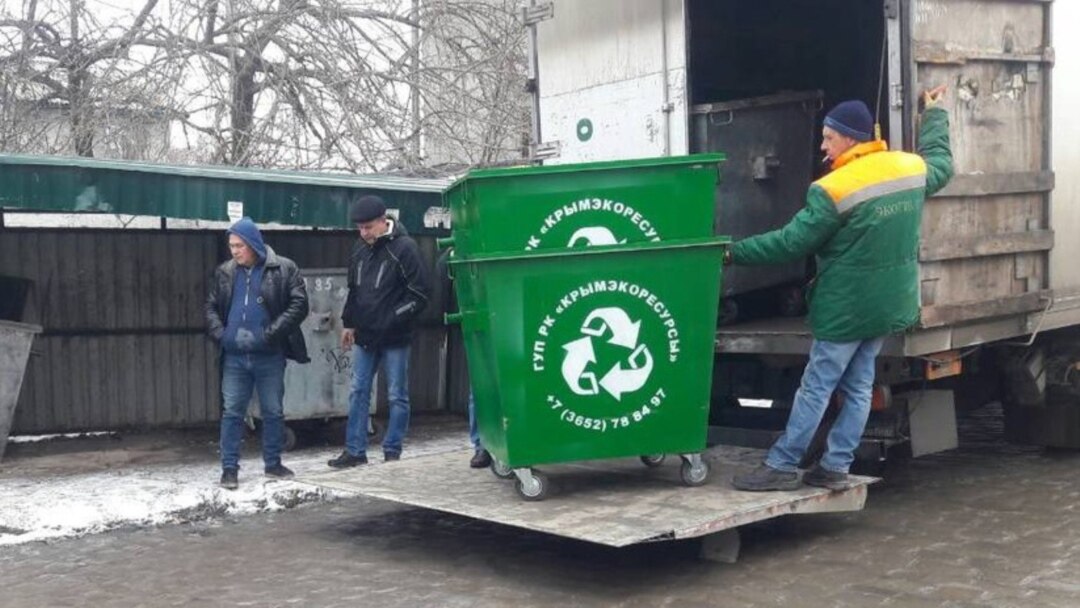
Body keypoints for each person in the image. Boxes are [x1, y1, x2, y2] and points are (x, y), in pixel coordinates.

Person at [730, 88, 953, 491]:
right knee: (859, 385)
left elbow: (790, 243)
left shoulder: (833, 189)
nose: (822, 145)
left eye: (828, 137)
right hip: (888, 305)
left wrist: (732, 253)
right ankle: (835, 465)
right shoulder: (908, 168)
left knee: (818, 385)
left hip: (846, 310)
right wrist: (934, 113)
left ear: (850, 139)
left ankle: (782, 465)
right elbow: (942, 163)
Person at [205, 217, 310, 490]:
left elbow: (299, 305)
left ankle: (273, 464)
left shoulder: (284, 269)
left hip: (269, 354)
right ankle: (229, 469)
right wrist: (223, 335)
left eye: (239, 245)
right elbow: (211, 307)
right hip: (235, 357)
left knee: (273, 410)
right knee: (232, 412)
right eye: (231, 246)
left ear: (253, 244)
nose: (234, 251)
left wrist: (270, 334)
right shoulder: (225, 272)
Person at [328, 195, 431, 468]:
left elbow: (420, 294)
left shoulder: (405, 248)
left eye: (368, 228)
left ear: (383, 221)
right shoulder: (359, 249)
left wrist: (392, 318)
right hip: (365, 335)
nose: (364, 234)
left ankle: (392, 451)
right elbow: (354, 290)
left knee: (397, 394)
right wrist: (348, 322)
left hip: (395, 336)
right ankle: (355, 451)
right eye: (360, 228)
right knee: (358, 391)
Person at [435, 247, 491, 468]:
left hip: (493, 319)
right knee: (477, 389)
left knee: (483, 389)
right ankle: (481, 446)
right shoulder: (454, 253)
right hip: (476, 324)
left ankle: (487, 445)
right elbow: (440, 277)